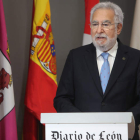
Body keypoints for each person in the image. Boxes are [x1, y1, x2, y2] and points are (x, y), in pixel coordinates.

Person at [54, 2, 140, 140]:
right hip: (83, 134)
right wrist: (81, 120)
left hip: (123, 135)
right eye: (94, 24)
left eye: (105, 24)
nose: (99, 30)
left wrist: (125, 121)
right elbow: (61, 98)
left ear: (118, 28)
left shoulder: (136, 58)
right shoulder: (76, 57)